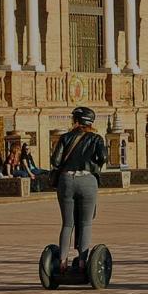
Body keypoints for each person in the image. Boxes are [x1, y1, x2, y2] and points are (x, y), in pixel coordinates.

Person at [50, 107, 108, 274]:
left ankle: (61, 261)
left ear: (76, 121)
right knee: (85, 223)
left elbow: (55, 160)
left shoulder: (65, 137)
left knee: (68, 223)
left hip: (66, 180)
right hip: (87, 181)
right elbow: (103, 157)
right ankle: (82, 262)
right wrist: (94, 165)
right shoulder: (96, 139)